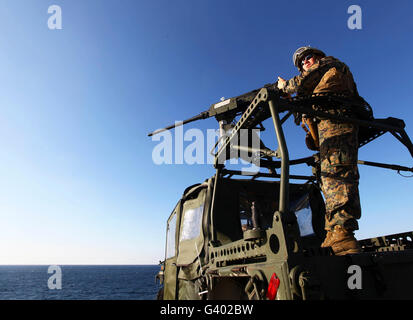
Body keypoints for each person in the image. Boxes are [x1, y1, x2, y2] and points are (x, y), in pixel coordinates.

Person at [277, 46, 362, 256]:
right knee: (328, 180)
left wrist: (284, 86)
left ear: (318, 57)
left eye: (307, 57)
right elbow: (306, 103)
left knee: (338, 177)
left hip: (338, 128)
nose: (304, 63)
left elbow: (300, 83)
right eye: (300, 62)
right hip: (328, 133)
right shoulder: (316, 84)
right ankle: (333, 233)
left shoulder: (329, 64)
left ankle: (343, 234)